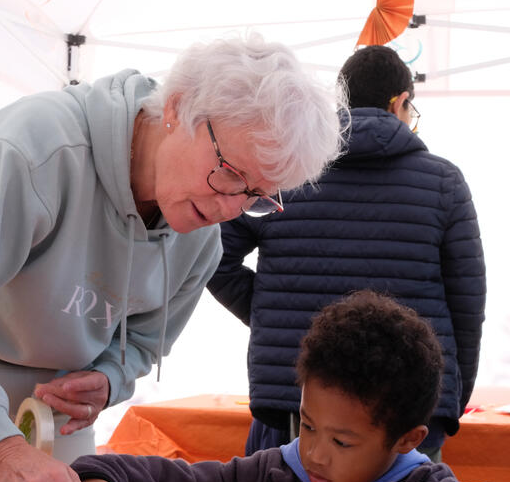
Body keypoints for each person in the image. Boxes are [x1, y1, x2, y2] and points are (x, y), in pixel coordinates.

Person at [0, 33, 346, 482]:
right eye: (229, 174)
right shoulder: (33, 151)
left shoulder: (200, 234)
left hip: (54, 414)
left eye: (256, 198)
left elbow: (143, 341)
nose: (229, 209)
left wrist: (109, 378)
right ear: (178, 107)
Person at [74, 290, 510, 482]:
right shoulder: (275, 476)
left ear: (406, 439)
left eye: (343, 442)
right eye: (308, 426)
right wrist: (102, 476)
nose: (315, 454)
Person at [206, 44, 485, 461]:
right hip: (407, 400)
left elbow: (213, 257)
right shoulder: (442, 182)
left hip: (297, 394)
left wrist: (276, 316)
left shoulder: (288, 172)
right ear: (400, 102)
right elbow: (467, 300)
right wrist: (452, 390)